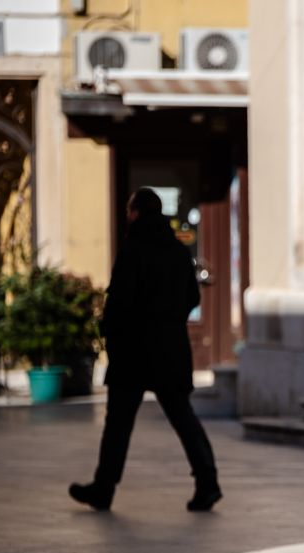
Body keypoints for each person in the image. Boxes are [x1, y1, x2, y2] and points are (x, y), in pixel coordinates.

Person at [69, 188, 221, 512]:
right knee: (183, 417)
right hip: (170, 349)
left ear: (135, 213)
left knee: (118, 424)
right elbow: (192, 298)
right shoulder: (178, 252)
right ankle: (207, 481)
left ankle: (104, 488)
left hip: (134, 351)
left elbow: (120, 302)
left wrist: (107, 328)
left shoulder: (132, 249)